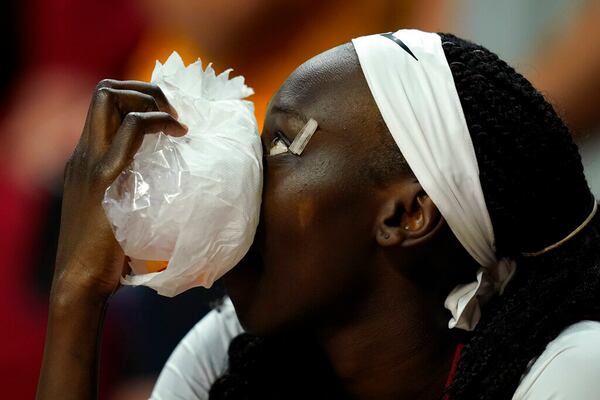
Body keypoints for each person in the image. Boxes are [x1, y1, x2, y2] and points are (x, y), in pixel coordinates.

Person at [37, 29, 600, 400]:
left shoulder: (571, 372)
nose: (244, 176)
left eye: (281, 145)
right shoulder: (225, 359)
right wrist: (76, 293)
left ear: (407, 216)